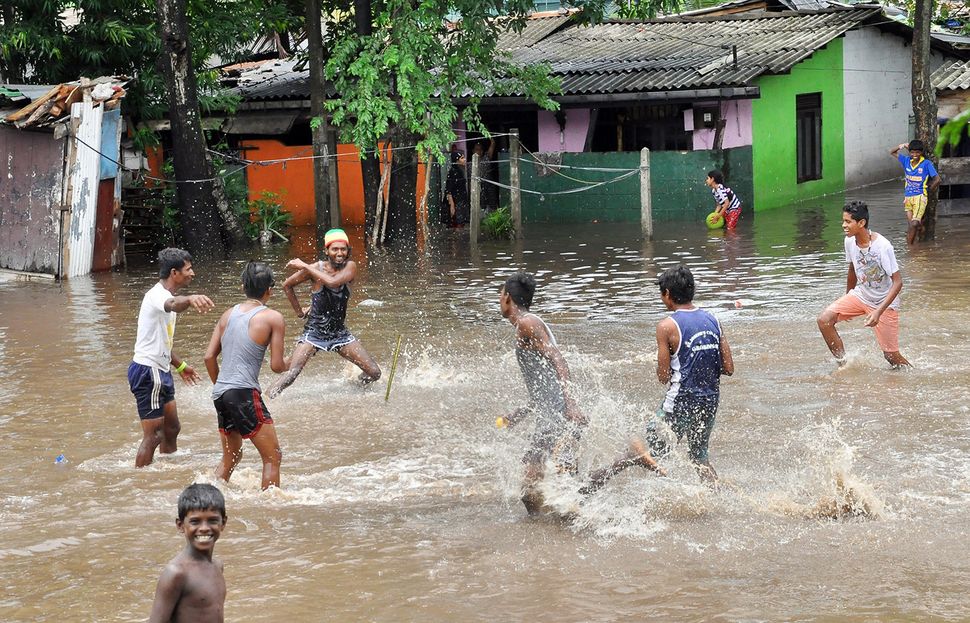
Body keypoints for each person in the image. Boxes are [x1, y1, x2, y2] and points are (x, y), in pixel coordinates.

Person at [582, 266, 733, 493]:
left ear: (667, 294)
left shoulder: (667, 326)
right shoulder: (714, 320)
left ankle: (590, 485)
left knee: (642, 451)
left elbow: (663, 377)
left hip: (680, 401)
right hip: (710, 401)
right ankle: (718, 501)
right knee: (699, 457)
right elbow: (728, 368)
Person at [496, 272, 588, 514]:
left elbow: (558, 358)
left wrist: (571, 404)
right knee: (558, 488)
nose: (498, 298)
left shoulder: (528, 323)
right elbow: (544, 384)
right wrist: (522, 411)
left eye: (500, 293)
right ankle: (555, 532)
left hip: (558, 415)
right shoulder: (526, 325)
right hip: (553, 412)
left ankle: (627, 459)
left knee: (533, 485)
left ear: (507, 297)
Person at [204, 262, 290, 490]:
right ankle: (271, 511)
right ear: (269, 290)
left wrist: (223, 387)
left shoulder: (227, 315)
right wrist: (296, 360)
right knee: (273, 457)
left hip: (221, 393)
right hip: (242, 392)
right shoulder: (273, 317)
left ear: (243, 286)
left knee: (230, 458)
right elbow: (277, 366)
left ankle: (208, 495)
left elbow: (208, 358)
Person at [267, 228, 381, 398]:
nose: (340, 253)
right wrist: (299, 312)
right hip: (314, 333)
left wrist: (304, 265)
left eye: (343, 249)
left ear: (348, 251)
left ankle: (355, 388)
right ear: (326, 251)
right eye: (335, 249)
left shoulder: (350, 266)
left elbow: (334, 283)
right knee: (291, 375)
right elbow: (287, 285)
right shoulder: (315, 268)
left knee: (374, 373)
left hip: (339, 333)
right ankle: (264, 403)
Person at [128, 248, 215, 468]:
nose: (192, 273)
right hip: (149, 372)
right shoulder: (159, 296)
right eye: (188, 269)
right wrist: (192, 298)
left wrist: (180, 365)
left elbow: (162, 341)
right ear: (174, 273)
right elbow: (174, 304)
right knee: (154, 435)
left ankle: (167, 470)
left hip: (161, 369)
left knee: (171, 429)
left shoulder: (166, 296)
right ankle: (140, 479)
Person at [817, 201, 911, 368]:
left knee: (891, 357)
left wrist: (877, 313)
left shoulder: (883, 247)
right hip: (860, 295)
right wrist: (847, 297)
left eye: (848, 221)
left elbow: (898, 282)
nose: (843, 225)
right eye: (843, 221)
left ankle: (912, 375)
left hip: (883, 303)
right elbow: (852, 269)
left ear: (861, 223)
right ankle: (843, 364)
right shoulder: (849, 241)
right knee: (824, 320)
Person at [149, 483, 227, 623]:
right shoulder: (176, 573)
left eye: (212, 520)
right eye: (195, 522)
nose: (204, 528)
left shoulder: (218, 565)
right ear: (180, 525)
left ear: (223, 523)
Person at [890, 139, 940, 245]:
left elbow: (937, 179)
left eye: (917, 152)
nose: (915, 155)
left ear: (921, 152)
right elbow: (892, 152)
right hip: (908, 197)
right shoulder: (906, 161)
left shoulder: (926, 163)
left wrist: (928, 189)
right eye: (912, 152)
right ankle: (921, 231)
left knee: (913, 224)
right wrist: (902, 146)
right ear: (910, 152)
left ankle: (910, 248)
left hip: (920, 197)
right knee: (913, 225)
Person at [472, 137, 499, 213]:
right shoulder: (470, 164)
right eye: (477, 149)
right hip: (478, 187)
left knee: (492, 205)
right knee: (481, 206)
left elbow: (493, 144)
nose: (479, 151)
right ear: (473, 151)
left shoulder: (486, 158)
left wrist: (487, 134)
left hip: (490, 186)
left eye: (480, 149)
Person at [444, 150, 470, 227]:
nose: (464, 159)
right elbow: (448, 190)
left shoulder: (459, 171)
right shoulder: (453, 172)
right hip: (456, 203)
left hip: (460, 203)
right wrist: (452, 205)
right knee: (456, 226)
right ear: (456, 160)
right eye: (462, 158)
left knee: (461, 225)